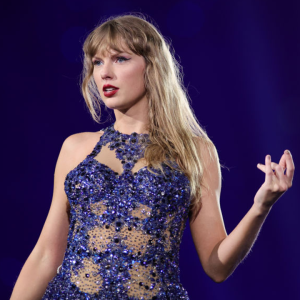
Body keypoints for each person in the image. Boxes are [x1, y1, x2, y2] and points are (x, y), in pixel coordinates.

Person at [10, 14, 295, 300]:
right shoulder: (75, 148)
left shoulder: (194, 152)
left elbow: (216, 266)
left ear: (152, 66)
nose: (104, 73)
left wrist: (261, 206)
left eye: (119, 59)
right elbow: (46, 255)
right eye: (97, 62)